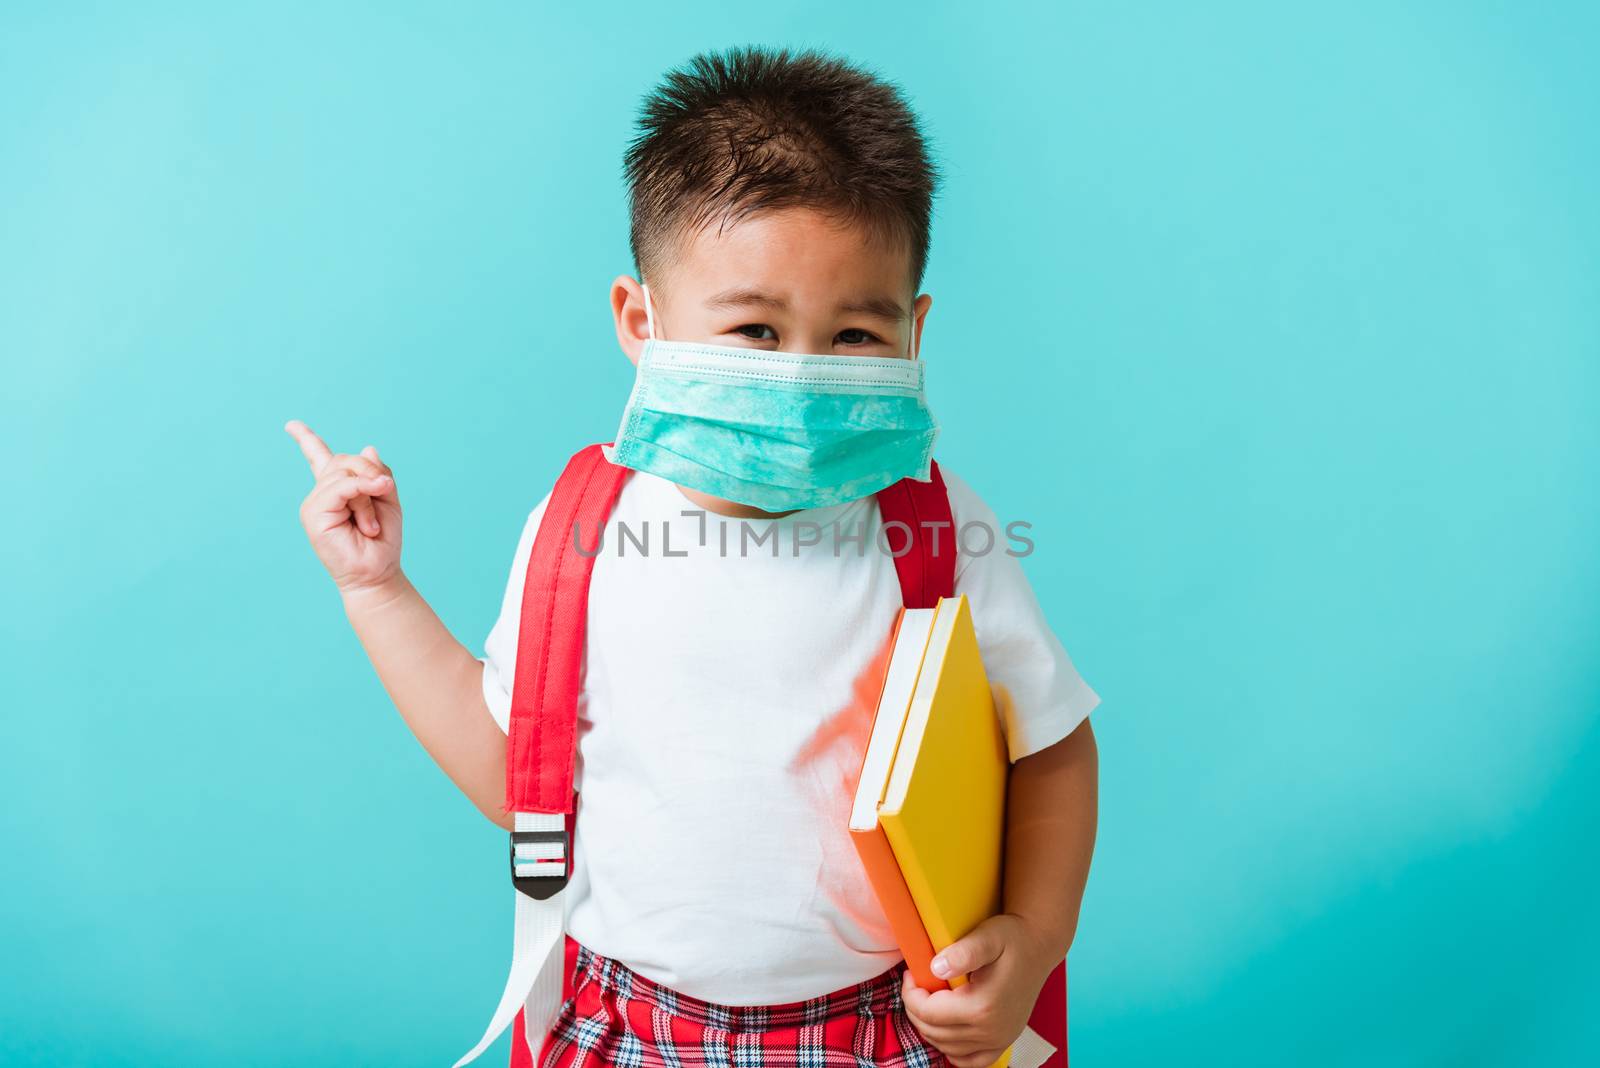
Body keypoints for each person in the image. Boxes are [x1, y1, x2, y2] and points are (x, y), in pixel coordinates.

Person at [286, 44, 1101, 1068]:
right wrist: (375, 590)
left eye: (854, 336)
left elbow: (1054, 749)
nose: (800, 376)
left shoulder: (932, 531)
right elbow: (520, 773)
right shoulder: (582, 528)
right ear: (643, 320)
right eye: (753, 330)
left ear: (913, 331)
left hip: (882, 1026)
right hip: (627, 1024)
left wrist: (1031, 940)